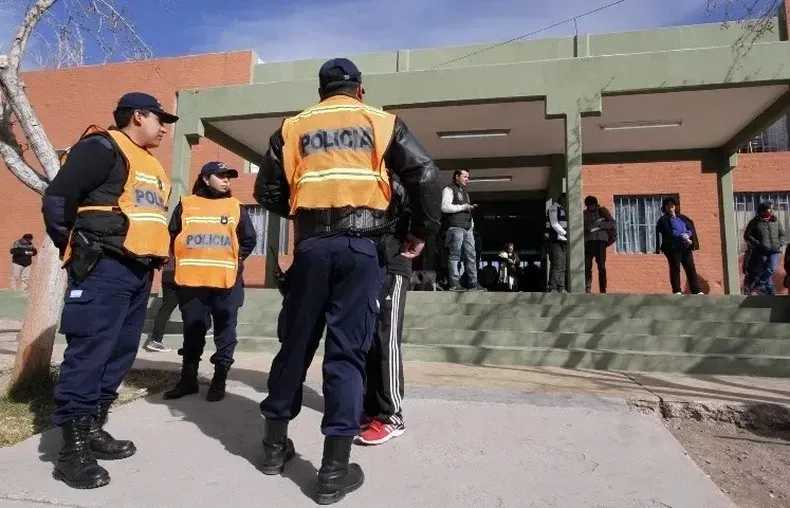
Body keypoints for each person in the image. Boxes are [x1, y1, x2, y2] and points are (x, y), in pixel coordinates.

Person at [253, 57, 441, 505]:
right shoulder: (381, 121)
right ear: (360, 89)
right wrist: (421, 231)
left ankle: (273, 450)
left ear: (320, 92)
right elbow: (426, 174)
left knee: (295, 345)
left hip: (312, 246)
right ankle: (333, 471)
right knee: (347, 353)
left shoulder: (292, 127)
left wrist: (309, 214)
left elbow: (267, 193)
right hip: (362, 248)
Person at [42, 92, 178, 489]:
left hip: (138, 271)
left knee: (118, 355)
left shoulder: (151, 165)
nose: (165, 127)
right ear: (137, 116)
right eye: (159, 119)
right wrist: (75, 246)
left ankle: (94, 427)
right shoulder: (101, 147)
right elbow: (58, 199)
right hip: (103, 268)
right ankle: (72, 452)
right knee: (89, 354)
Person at [162, 162, 257, 402]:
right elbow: (173, 236)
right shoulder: (186, 205)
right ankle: (188, 379)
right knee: (193, 329)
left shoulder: (236, 207)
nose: (226, 180)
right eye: (221, 175)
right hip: (192, 281)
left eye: (229, 176)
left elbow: (248, 240)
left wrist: (234, 260)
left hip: (226, 281)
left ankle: (219, 379)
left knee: (225, 331)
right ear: (205, 179)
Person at [359, 176, 411, 445]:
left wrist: (418, 236)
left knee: (386, 338)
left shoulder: (397, 174)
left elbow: (426, 196)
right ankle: (371, 409)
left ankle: (392, 416)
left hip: (392, 265)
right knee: (368, 341)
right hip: (368, 265)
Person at [441, 169, 482, 291]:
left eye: (467, 177)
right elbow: (444, 207)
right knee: (455, 255)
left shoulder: (465, 192)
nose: (467, 179)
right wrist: (462, 207)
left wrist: (472, 224)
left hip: (467, 228)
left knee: (471, 255)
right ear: (457, 176)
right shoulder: (448, 189)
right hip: (455, 227)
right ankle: (454, 283)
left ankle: (473, 283)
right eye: (465, 176)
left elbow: (467, 210)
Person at [654, 197, 703, 295]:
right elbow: (669, 233)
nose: (670, 207)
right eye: (668, 205)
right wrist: (683, 237)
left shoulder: (683, 218)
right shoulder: (663, 220)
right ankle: (677, 290)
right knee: (675, 268)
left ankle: (696, 290)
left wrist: (688, 237)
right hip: (672, 248)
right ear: (665, 208)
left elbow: (689, 229)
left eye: (672, 204)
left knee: (690, 268)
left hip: (685, 247)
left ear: (676, 206)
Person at [743, 201, 787, 295]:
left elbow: (782, 234)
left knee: (771, 268)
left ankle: (758, 285)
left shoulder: (775, 221)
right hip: (761, 251)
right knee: (766, 269)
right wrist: (757, 244)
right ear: (763, 211)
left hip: (774, 250)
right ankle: (770, 290)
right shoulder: (755, 222)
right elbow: (747, 235)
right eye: (769, 208)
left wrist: (780, 243)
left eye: (772, 209)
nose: (771, 210)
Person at [583, 196, 615, 293]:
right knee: (587, 266)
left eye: (590, 206)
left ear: (594, 205)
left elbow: (612, 223)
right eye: (587, 206)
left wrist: (600, 225)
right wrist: (587, 228)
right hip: (588, 241)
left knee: (601, 266)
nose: (588, 208)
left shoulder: (602, 211)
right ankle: (587, 288)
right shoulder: (584, 214)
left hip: (601, 241)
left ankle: (603, 289)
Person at [545, 193, 568, 293]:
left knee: (563, 265)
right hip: (555, 240)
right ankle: (552, 287)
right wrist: (566, 233)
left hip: (562, 240)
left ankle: (561, 287)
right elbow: (554, 223)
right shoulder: (554, 208)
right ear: (562, 199)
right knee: (557, 264)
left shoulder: (562, 209)